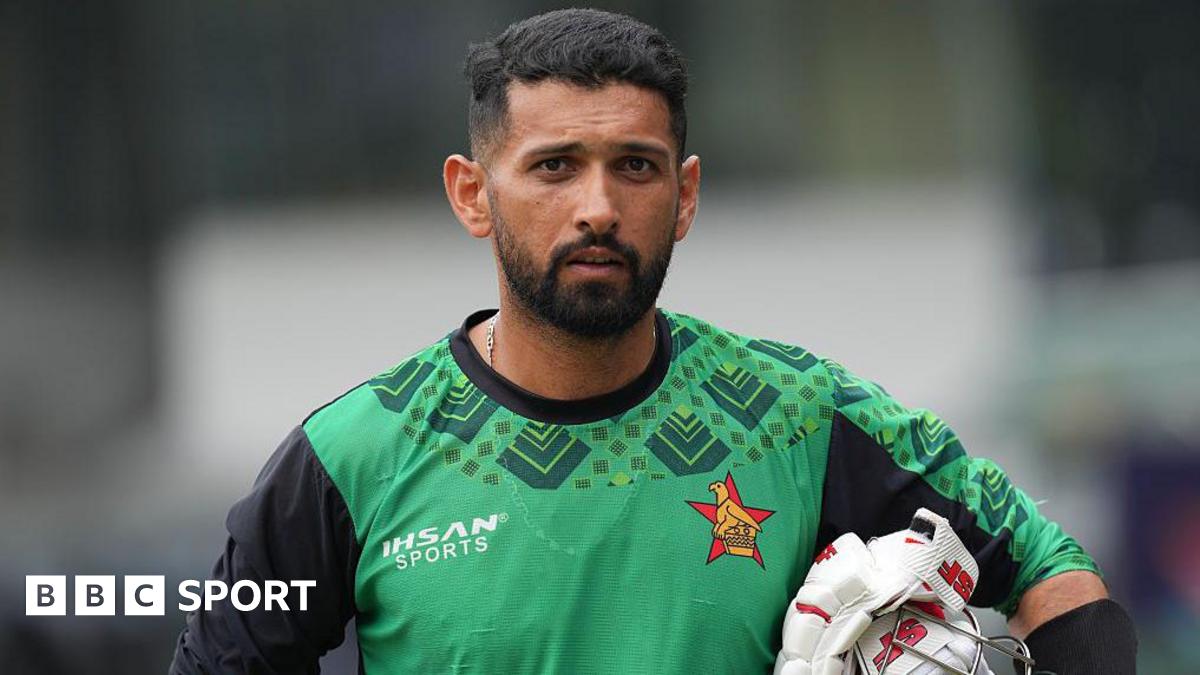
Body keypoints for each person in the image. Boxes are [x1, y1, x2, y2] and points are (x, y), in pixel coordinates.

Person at [170, 8, 1135, 674]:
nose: (598, 206)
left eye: (635, 166)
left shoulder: (800, 417)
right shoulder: (353, 456)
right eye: (555, 166)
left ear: (684, 196)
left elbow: (1047, 564)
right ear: (473, 193)